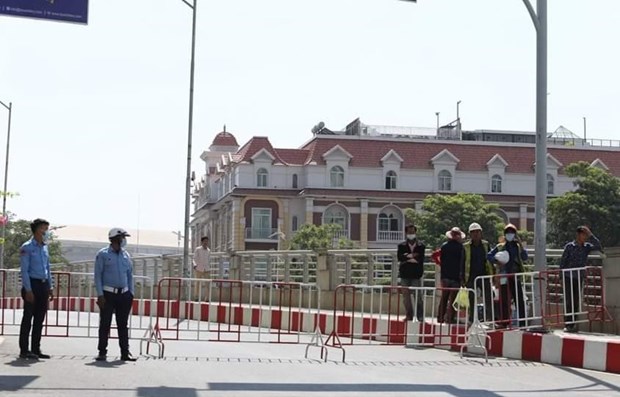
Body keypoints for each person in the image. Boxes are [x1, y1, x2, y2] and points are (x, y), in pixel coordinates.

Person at [94, 228, 136, 362]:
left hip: (124, 294)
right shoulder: (103, 254)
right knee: (105, 324)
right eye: (122, 237)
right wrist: (100, 295)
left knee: (123, 325)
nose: (124, 240)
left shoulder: (126, 255)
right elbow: (98, 276)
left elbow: (130, 275)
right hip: (108, 294)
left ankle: (125, 352)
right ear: (114, 239)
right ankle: (102, 351)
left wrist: (131, 293)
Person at [19, 218, 54, 359]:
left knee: (40, 319)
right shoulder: (27, 247)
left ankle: (36, 349)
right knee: (28, 318)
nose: (45, 232)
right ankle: (24, 350)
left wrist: (50, 286)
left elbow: (48, 268)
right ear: (36, 230)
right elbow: (24, 270)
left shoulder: (45, 247)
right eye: (43, 228)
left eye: (46, 229)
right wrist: (28, 290)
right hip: (32, 284)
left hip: (43, 285)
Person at [559, 225, 602, 333]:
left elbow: (598, 246)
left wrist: (591, 234)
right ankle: (568, 324)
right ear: (578, 235)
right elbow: (563, 262)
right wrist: (561, 277)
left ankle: (573, 324)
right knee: (569, 300)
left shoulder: (586, 247)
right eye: (583, 234)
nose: (585, 237)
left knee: (576, 301)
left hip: (579, 277)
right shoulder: (569, 246)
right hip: (568, 276)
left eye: (586, 235)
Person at [487, 224, 529, 328]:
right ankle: (504, 322)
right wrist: (497, 261)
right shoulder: (500, 246)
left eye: (512, 232)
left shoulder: (517, 246)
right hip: (504, 276)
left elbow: (525, 257)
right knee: (504, 300)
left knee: (519, 300)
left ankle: (523, 323)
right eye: (508, 233)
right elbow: (489, 255)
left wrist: (520, 244)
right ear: (505, 234)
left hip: (515, 275)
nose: (510, 235)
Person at [463, 223, 494, 323]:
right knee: (471, 298)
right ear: (470, 234)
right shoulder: (466, 246)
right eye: (473, 232)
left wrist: (493, 275)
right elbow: (462, 262)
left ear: (481, 233)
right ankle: (472, 319)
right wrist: (462, 278)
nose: (476, 234)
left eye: (477, 232)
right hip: (470, 276)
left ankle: (489, 318)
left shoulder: (485, 244)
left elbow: (490, 260)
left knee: (488, 297)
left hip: (483, 275)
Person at [397, 224, 426, 321]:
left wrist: (407, 257)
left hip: (416, 274)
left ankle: (420, 316)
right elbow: (400, 258)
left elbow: (420, 258)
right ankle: (409, 315)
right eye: (409, 232)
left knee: (418, 296)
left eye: (413, 232)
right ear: (406, 233)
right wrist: (412, 256)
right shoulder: (401, 246)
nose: (411, 234)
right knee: (406, 297)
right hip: (405, 274)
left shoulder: (421, 245)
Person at [437, 227, 465, 324]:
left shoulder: (444, 246)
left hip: (445, 276)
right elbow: (462, 263)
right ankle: (450, 318)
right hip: (456, 277)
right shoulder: (461, 248)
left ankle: (440, 317)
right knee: (453, 300)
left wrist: (441, 271)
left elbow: (440, 259)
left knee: (444, 298)